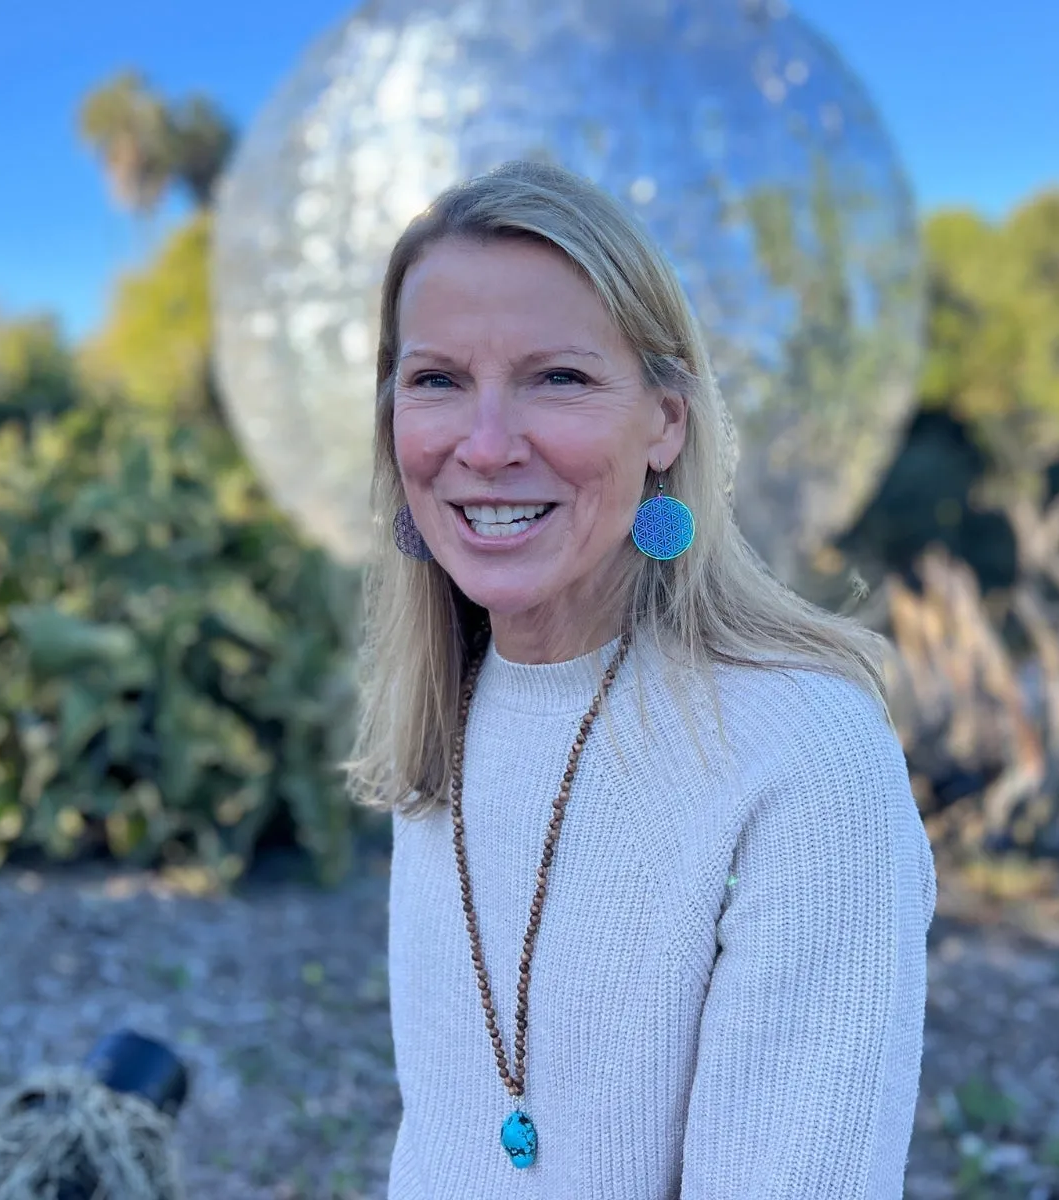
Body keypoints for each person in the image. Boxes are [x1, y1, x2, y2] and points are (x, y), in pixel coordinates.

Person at [346, 159, 936, 1199]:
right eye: (437, 379)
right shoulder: (441, 720)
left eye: (558, 378)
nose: (484, 447)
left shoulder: (802, 756)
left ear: (665, 421)